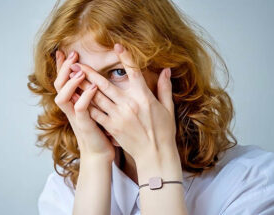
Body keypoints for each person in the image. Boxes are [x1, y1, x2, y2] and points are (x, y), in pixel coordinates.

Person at [27, 0, 274, 214]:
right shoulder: (63, 194)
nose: (96, 97)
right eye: (80, 78)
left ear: (171, 70)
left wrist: (153, 160)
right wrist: (95, 159)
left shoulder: (254, 182)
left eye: (118, 72)